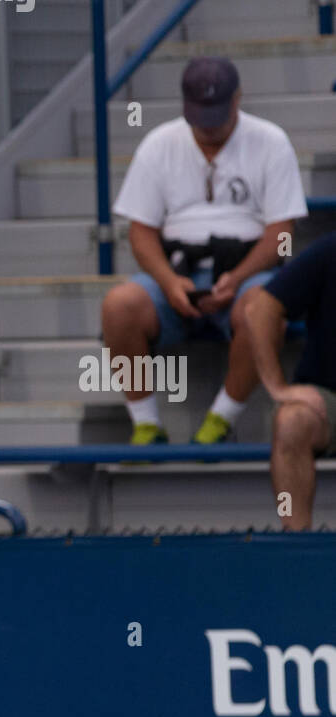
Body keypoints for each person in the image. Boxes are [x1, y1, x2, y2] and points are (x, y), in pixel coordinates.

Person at [101, 57, 309, 445]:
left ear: (237, 99)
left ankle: (219, 420)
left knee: (263, 308)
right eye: (200, 116)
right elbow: (141, 232)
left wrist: (239, 276)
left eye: (217, 115)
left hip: (246, 271)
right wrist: (168, 281)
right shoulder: (159, 144)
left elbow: (282, 232)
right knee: (119, 305)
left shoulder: (270, 141)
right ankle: (145, 424)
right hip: (176, 271)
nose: (209, 127)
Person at [242, 232, 336, 530]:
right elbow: (259, 309)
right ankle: (295, 541)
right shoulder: (330, 250)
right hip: (329, 400)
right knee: (291, 421)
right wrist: (277, 387)